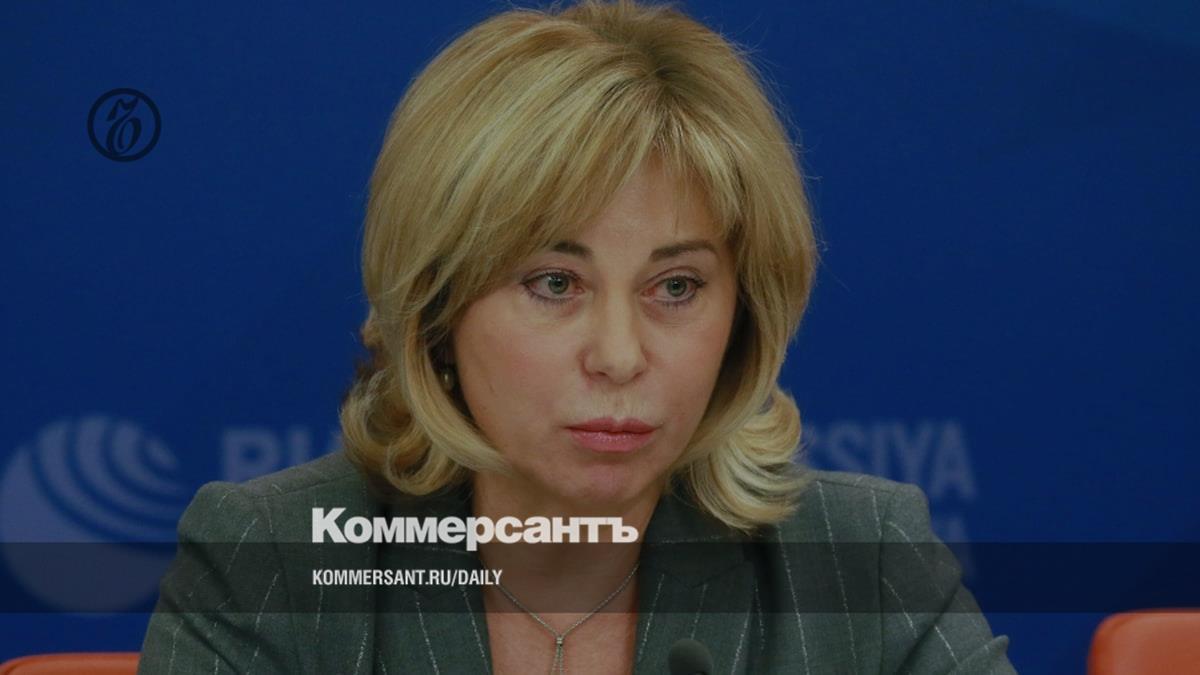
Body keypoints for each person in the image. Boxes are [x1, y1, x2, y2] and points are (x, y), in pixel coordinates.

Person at [138, 0, 1016, 673]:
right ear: (438, 306)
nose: (621, 356)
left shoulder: (862, 559)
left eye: (677, 287)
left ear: (744, 313)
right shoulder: (272, 561)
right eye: (554, 283)